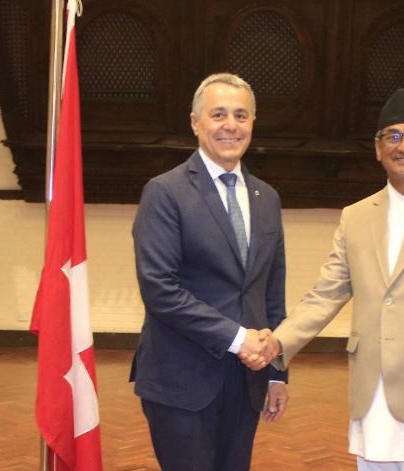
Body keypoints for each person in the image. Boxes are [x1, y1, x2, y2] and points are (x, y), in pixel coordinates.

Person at [242, 88, 404, 471]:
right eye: (393, 136)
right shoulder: (356, 216)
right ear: (378, 148)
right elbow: (325, 294)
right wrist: (277, 343)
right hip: (370, 389)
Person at [130, 72, 289, 471]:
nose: (230, 125)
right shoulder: (165, 192)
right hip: (182, 381)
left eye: (241, 115)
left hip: (248, 382)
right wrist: (238, 339)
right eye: (218, 114)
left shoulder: (267, 197)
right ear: (195, 122)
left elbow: (271, 292)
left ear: (253, 123)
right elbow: (160, 289)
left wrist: (277, 372)